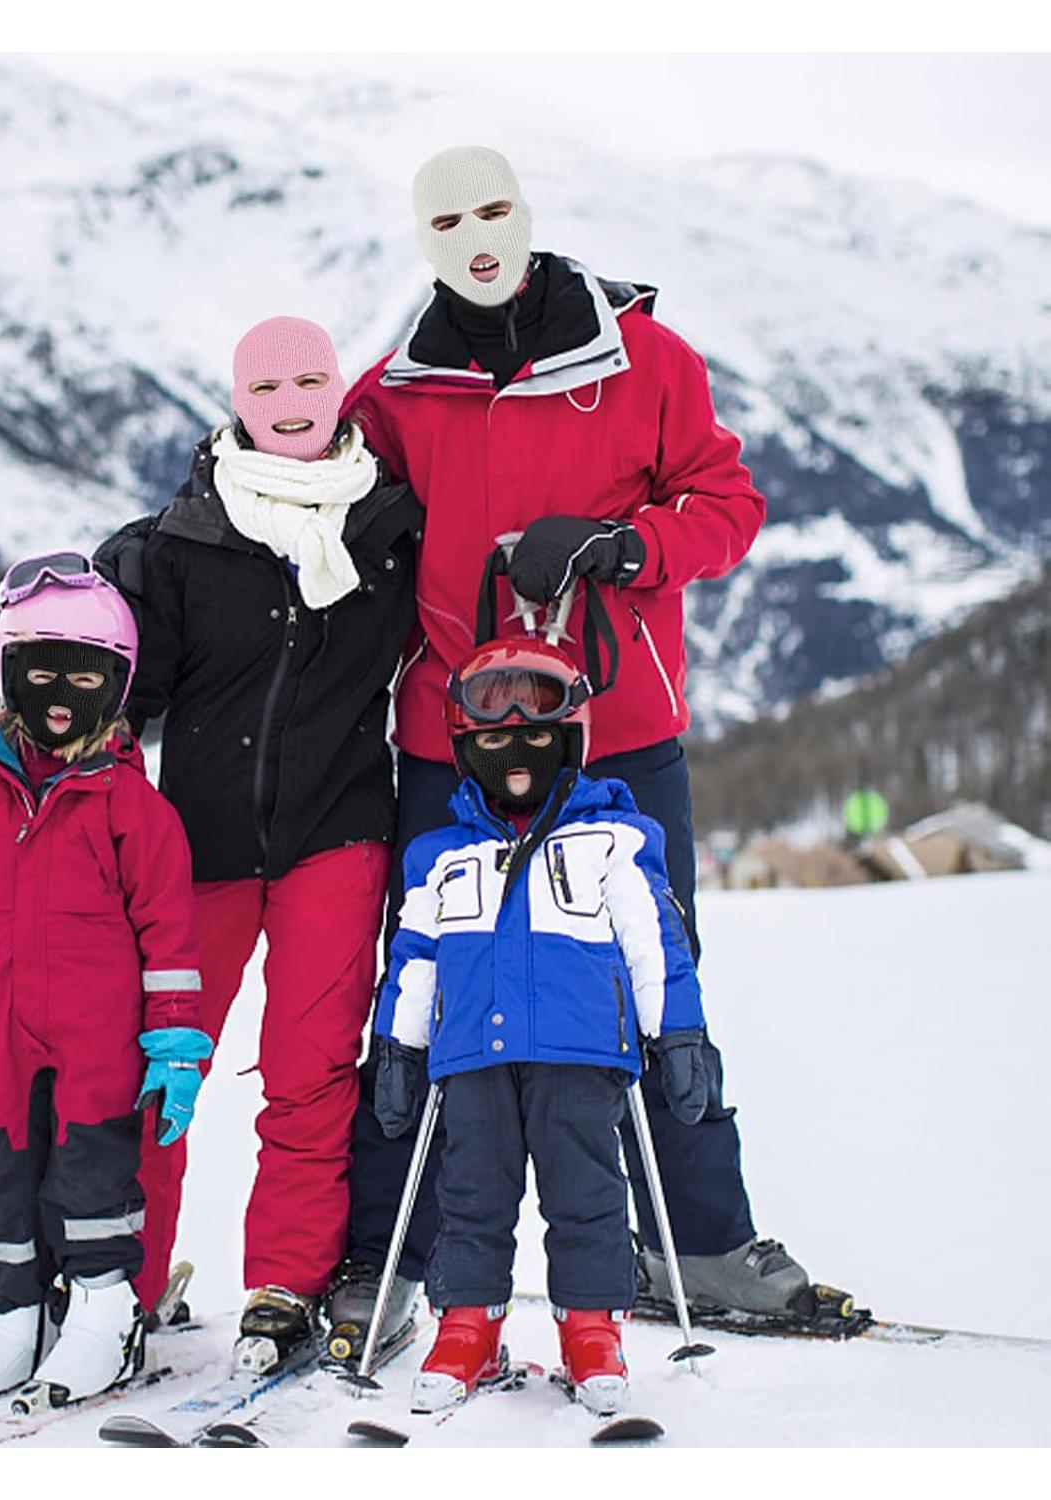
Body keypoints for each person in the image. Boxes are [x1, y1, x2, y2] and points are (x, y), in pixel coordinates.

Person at [329, 143, 837, 1349]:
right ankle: (385, 1254)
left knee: (653, 978)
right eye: (446, 218)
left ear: (532, 212)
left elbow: (728, 507)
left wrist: (624, 545)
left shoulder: (645, 360)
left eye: (495, 207)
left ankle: (698, 1244)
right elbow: (322, 515)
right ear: (423, 239)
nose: (477, 235)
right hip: (450, 742)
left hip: (619, 732)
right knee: (431, 986)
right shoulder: (388, 394)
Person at [96, 315, 422, 1373]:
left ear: (340, 388)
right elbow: (119, 702)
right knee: (161, 1066)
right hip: (200, 843)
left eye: (310, 379)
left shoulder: (390, 527)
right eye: (267, 384)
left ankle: (285, 1281)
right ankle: (125, 1283)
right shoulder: (179, 542)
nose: (290, 400)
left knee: (311, 1072)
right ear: (238, 399)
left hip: (338, 831)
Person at [0, 552, 212, 1407]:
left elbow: (171, 939)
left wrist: (177, 1043)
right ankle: (14, 1315)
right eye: (39, 673)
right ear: (8, 675)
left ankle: (104, 1313)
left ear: (117, 685)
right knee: (0, 1171)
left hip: (97, 1041)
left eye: (84, 674)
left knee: (91, 1177)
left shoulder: (130, 807)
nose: (59, 691)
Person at [374, 634, 707, 1416]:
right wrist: (398, 1046)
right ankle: (468, 1326)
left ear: (572, 741)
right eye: (493, 737)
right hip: (470, 1060)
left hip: (581, 1050)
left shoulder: (616, 840)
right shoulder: (439, 856)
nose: (514, 750)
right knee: (470, 1196)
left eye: (535, 734)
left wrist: (679, 1034)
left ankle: (591, 1327)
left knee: (587, 1193)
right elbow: (414, 956)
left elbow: (657, 946)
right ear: (464, 746)